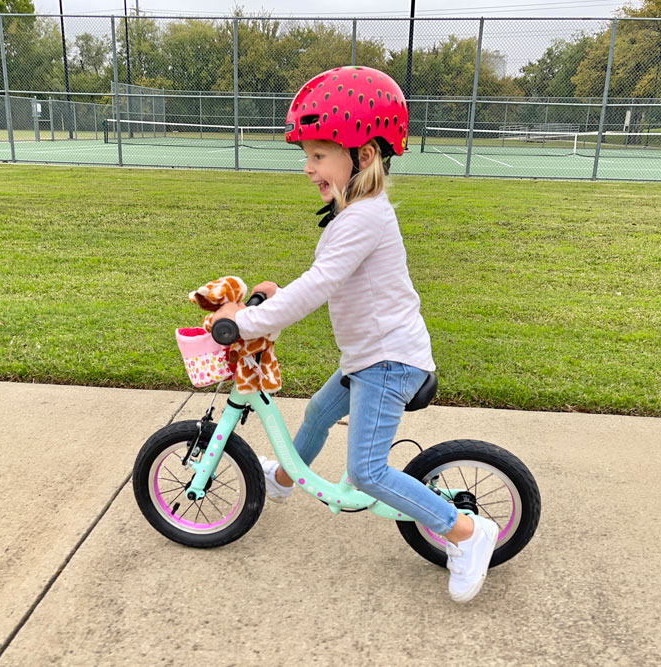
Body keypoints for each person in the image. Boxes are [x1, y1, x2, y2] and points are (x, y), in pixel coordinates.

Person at [209, 66, 499, 604]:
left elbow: (321, 284)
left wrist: (245, 323)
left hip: (388, 365)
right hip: (370, 357)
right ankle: (284, 479)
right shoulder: (356, 213)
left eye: (319, 155)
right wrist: (273, 296)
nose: (308, 167)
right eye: (308, 155)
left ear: (362, 156)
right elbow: (331, 280)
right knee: (319, 413)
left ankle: (465, 532)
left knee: (366, 472)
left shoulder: (363, 218)